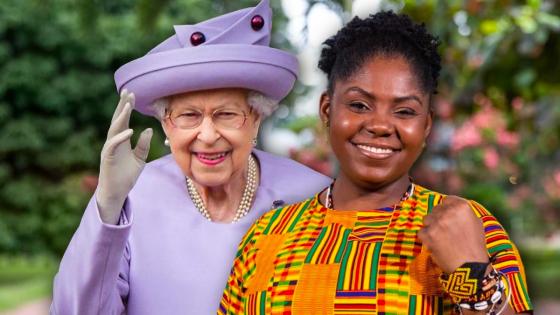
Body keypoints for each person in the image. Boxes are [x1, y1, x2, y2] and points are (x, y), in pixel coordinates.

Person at [219, 11, 533, 315]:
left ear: (425, 126)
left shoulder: (469, 225)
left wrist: (473, 274)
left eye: (405, 111)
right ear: (328, 110)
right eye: (359, 104)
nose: (380, 125)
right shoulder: (267, 235)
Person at [50, 1, 331, 314]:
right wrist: (107, 203)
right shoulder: (132, 199)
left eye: (226, 114)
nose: (208, 135)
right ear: (165, 124)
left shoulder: (316, 196)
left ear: (256, 118)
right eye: (188, 115)